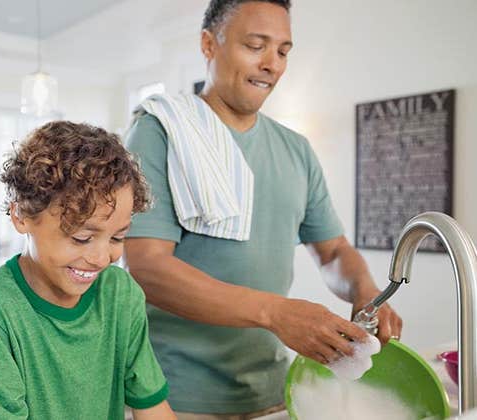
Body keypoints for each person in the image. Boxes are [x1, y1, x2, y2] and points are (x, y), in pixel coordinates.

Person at [123, 0, 403, 418]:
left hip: (273, 390)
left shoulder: (296, 150)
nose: (272, 64)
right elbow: (147, 267)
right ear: (208, 44)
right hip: (173, 394)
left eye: (284, 51)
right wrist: (276, 312)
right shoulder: (158, 133)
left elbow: (333, 252)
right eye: (256, 45)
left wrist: (365, 292)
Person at [0, 121, 177, 420]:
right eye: (81, 237)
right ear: (21, 215)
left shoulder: (120, 294)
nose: (100, 257)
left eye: (117, 237)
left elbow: (151, 406)